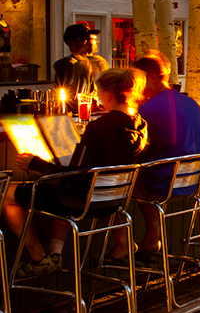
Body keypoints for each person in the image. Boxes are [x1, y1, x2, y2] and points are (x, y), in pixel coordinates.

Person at [3, 68, 148, 275]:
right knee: (58, 186)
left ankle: (39, 258)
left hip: (79, 202)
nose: (97, 98)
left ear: (108, 95)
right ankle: (55, 253)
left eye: (98, 94)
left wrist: (36, 163)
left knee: (7, 194)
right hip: (113, 201)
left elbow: (75, 175)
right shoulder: (141, 126)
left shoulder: (99, 127)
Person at [131, 51, 200, 257]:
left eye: (137, 81)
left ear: (152, 78)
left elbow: (132, 145)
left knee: (126, 181)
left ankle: (147, 238)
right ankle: (149, 239)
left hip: (166, 182)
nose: (134, 87)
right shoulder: (189, 102)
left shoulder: (148, 108)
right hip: (192, 180)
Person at [53, 23, 109, 112]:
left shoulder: (100, 62)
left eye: (93, 39)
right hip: (76, 114)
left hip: (98, 112)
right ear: (71, 43)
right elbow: (63, 97)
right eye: (86, 39)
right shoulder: (67, 65)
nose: (91, 43)